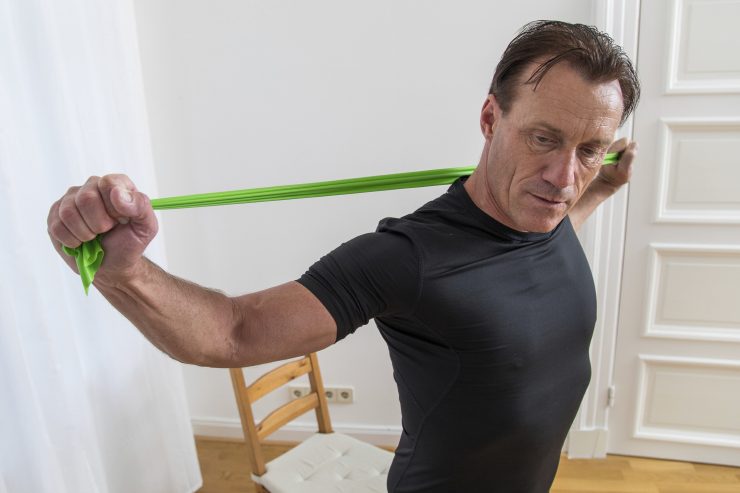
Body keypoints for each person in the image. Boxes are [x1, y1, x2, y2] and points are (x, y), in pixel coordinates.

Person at [48, 20, 639, 493]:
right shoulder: (408, 258)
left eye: (590, 150)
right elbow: (232, 332)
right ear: (490, 119)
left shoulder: (549, 212)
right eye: (543, 138)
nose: (565, 177)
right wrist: (124, 271)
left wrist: (603, 186)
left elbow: (546, 240)